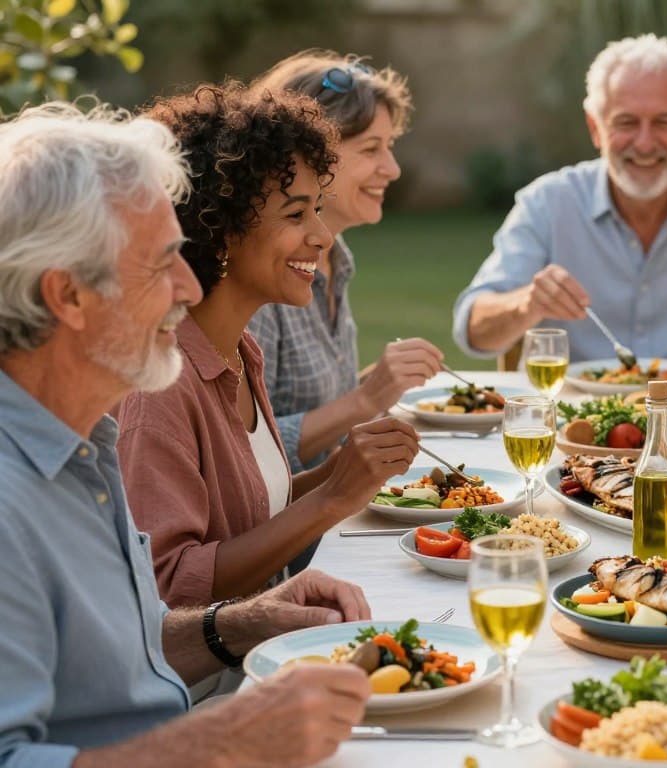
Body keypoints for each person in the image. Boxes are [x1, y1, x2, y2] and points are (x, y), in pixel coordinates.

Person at [0, 102, 370, 768]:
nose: (185, 284)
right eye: (161, 262)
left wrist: (246, 620)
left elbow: (128, 654)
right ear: (68, 296)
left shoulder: (81, 451)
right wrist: (223, 742)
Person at [116, 83, 420, 612]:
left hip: (271, 640)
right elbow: (170, 585)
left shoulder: (240, 349)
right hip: (218, 683)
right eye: (297, 214)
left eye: (317, 210)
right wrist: (332, 498)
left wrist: (342, 470)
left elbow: (255, 512)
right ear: (221, 228)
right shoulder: (159, 386)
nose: (323, 236)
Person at [452, 34, 667, 372]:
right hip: (572, 421)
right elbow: (472, 330)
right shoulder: (547, 203)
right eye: (626, 122)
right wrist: (525, 303)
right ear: (595, 128)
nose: (645, 143)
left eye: (663, 122)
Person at [249, 50, 444, 472]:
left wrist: (382, 384)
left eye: (389, 146)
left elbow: (319, 411)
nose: (392, 169)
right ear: (307, 158)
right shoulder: (259, 280)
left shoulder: (336, 259)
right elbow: (242, 453)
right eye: (371, 148)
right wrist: (366, 398)